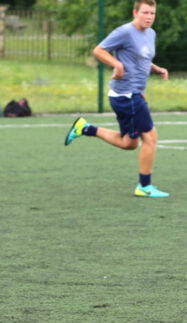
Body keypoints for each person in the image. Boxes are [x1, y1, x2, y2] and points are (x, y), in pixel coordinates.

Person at [64, 0, 170, 198]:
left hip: (133, 94)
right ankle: (144, 186)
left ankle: (85, 128)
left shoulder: (151, 33)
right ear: (135, 12)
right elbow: (99, 50)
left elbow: (142, 59)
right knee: (151, 138)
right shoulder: (125, 32)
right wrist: (117, 65)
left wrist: (156, 69)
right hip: (126, 95)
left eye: (152, 13)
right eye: (145, 12)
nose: (149, 17)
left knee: (129, 143)